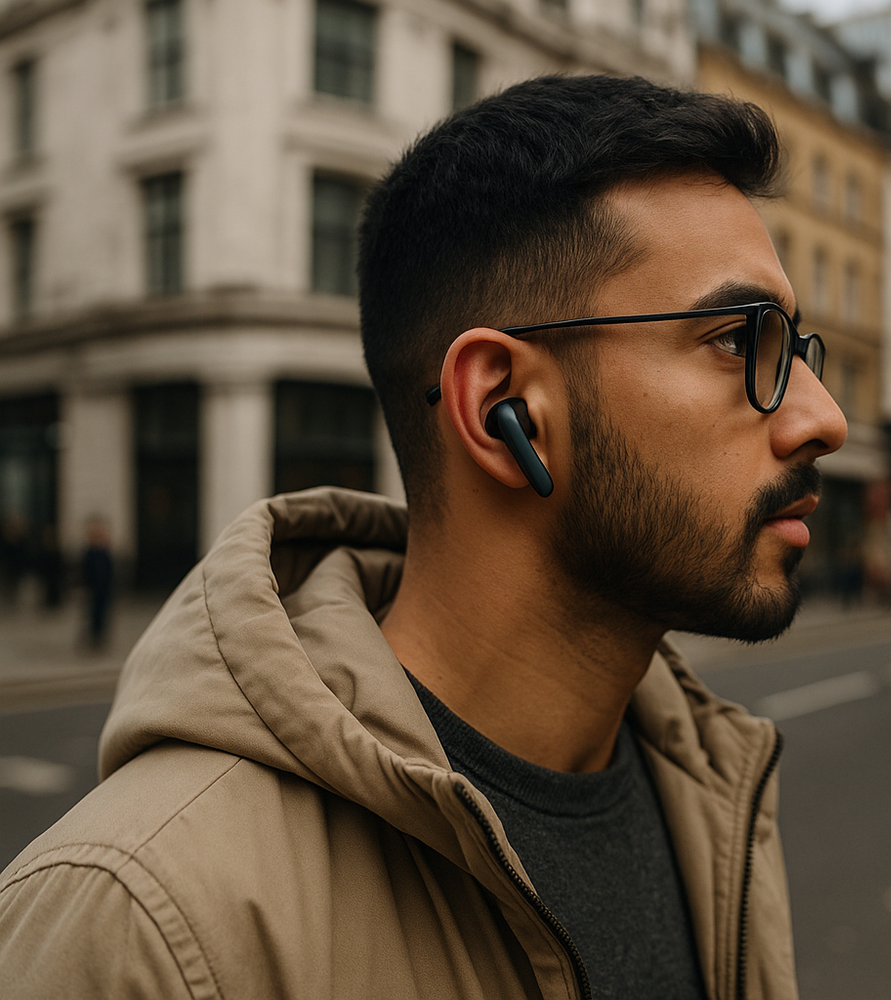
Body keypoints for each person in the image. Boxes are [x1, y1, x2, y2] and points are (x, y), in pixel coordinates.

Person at [0, 76, 846, 999]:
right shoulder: (140, 928)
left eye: (795, 350)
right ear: (502, 407)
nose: (823, 418)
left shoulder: (719, 801)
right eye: (739, 340)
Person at [79, 517, 115, 649]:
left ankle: (100, 635)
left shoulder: (105, 552)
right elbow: (85, 571)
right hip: (93, 589)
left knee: (103, 613)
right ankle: (93, 636)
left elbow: (110, 571)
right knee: (92, 614)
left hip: (104, 588)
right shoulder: (90, 553)